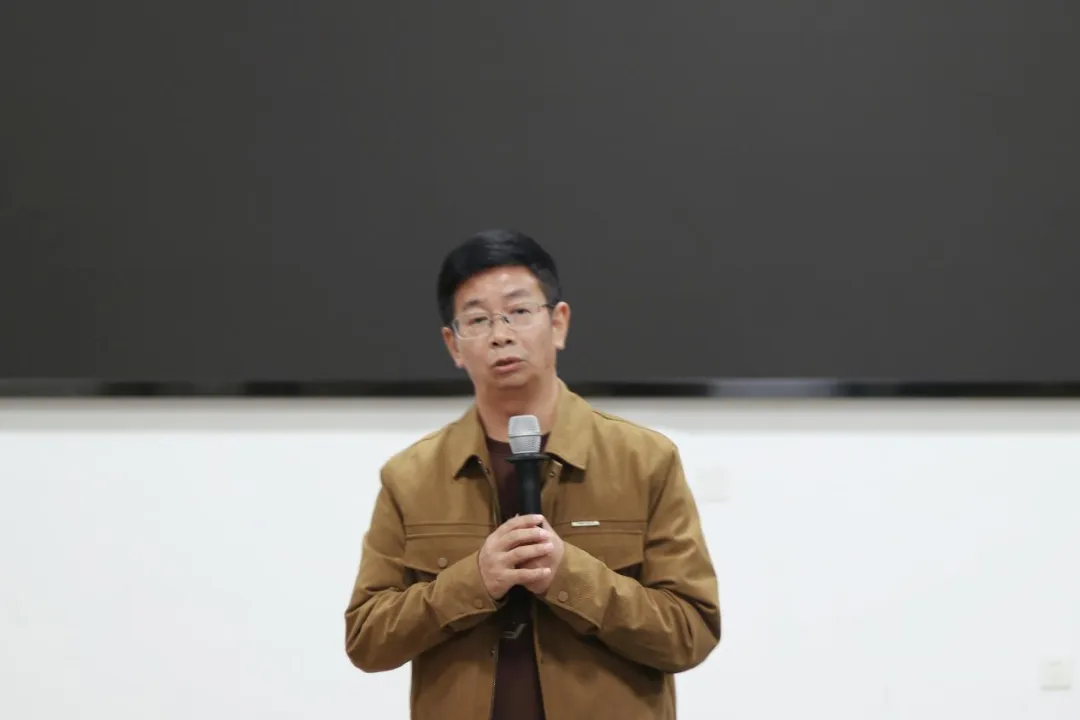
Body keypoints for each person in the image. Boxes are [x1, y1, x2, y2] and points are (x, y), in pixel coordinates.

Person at [343, 229, 720, 719]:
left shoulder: (645, 460)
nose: (500, 334)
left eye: (519, 311)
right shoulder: (410, 477)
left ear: (558, 323)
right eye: (477, 320)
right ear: (453, 345)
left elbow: (691, 633)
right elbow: (367, 640)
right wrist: (472, 582)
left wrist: (570, 578)